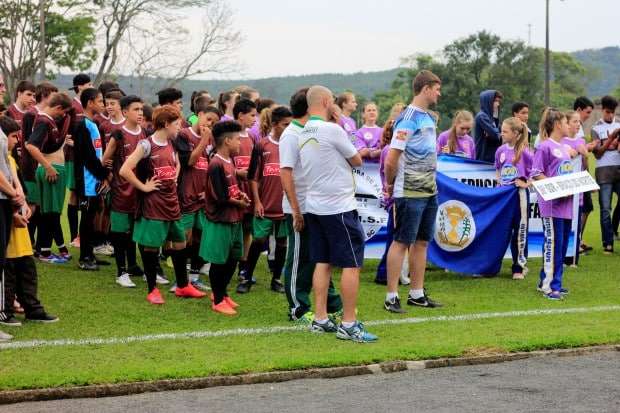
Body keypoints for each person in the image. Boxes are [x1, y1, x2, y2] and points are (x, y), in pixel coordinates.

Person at [299, 85, 377, 343]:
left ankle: (320, 318)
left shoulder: (302, 131)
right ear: (325, 101)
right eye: (332, 100)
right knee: (351, 264)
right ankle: (349, 323)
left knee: (322, 261)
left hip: (315, 205)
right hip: (339, 207)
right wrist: (338, 122)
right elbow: (357, 160)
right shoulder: (333, 129)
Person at [120, 105, 206, 304]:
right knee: (151, 248)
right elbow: (125, 170)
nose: (179, 127)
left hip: (172, 203)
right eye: (176, 124)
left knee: (180, 243)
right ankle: (152, 289)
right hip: (153, 206)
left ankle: (183, 286)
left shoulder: (172, 143)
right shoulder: (146, 145)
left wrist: (173, 178)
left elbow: (176, 164)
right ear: (166, 124)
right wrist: (144, 187)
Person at [280, 88, 343, 323]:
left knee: (320, 256)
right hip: (300, 207)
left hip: (317, 206)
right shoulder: (291, 134)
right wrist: (296, 210)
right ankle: (298, 307)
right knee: (299, 257)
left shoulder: (311, 130)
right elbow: (285, 173)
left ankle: (332, 302)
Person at [383, 70, 443, 314]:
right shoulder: (407, 118)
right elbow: (391, 159)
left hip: (429, 189)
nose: (439, 93)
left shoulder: (428, 118)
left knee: (422, 242)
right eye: (437, 88)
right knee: (401, 242)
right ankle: (391, 296)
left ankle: (417, 294)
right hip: (408, 191)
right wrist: (389, 185)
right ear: (426, 88)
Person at [0, 116, 58, 327]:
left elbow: (19, 189)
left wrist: (25, 207)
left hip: (20, 226)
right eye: (14, 137)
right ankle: (5, 310)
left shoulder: (11, 160)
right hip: (8, 222)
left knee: (27, 269)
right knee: (8, 271)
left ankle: (33, 309)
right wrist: (14, 212)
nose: (17, 142)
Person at [236, 106, 292, 294]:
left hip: (285, 205)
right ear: (275, 124)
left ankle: (276, 279)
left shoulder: (293, 145)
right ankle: (246, 276)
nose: (289, 127)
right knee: (259, 241)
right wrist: (257, 202)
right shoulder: (262, 145)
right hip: (265, 204)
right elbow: (253, 177)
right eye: (286, 124)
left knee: (282, 242)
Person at [200, 121, 251, 315]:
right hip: (220, 220)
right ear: (227, 141)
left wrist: (241, 195)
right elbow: (220, 197)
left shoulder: (230, 161)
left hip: (234, 218)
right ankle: (218, 299)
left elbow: (231, 189)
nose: (240, 142)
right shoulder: (215, 164)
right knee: (219, 261)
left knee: (233, 258)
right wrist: (239, 203)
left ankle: (223, 293)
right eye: (237, 139)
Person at [171, 98, 221, 292]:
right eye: (208, 119)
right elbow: (189, 162)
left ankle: (194, 277)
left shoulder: (212, 143)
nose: (210, 124)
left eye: (214, 123)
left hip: (202, 198)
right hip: (185, 196)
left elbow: (210, 169)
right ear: (199, 115)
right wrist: (203, 141)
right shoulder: (183, 135)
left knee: (201, 238)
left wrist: (207, 191)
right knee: (184, 238)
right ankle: (180, 280)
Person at [102, 95, 147, 287]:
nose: (140, 113)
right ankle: (121, 272)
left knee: (134, 232)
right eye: (136, 109)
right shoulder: (118, 134)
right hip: (121, 191)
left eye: (141, 110)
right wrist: (110, 175)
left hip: (139, 190)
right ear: (125, 111)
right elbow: (104, 160)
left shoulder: (144, 133)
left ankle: (134, 266)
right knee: (120, 233)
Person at [531, 108, 574, 300]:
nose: (569, 126)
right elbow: (536, 173)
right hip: (552, 206)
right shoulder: (544, 146)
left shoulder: (564, 147)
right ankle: (550, 287)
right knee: (553, 245)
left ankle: (549, 281)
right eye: (566, 122)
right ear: (558, 124)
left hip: (566, 205)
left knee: (562, 246)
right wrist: (555, 187)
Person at [25, 92, 73, 264]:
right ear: (58, 108)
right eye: (63, 112)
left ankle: (44, 250)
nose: (64, 115)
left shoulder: (47, 121)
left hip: (51, 170)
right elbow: (31, 146)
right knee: (50, 213)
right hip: (50, 172)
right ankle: (44, 252)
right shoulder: (44, 121)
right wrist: (49, 167)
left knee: (49, 212)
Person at [72, 88, 112, 271]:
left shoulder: (93, 124)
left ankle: (90, 253)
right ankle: (84, 257)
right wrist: (104, 174)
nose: (103, 105)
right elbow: (87, 158)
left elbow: (97, 154)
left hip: (95, 180)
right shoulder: (82, 125)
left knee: (94, 215)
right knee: (87, 218)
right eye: (100, 101)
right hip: (88, 180)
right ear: (89, 103)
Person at [20, 82, 59, 254]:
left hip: (38, 168)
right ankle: (27, 244)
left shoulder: (45, 116)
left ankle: (34, 245)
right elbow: (29, 143)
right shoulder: (31, 115)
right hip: (29, 168)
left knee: (38, 207)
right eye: (53, 95)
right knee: (32, 207)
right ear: (45, 95)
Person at [495, 117, 533, 279]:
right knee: (500, 230)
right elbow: (497, 169)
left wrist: (526, 183)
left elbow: (535, 173)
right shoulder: (500, 151)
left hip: (519, 197)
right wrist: (499, 183)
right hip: (503, 198)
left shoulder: (525, 152)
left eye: (505, 131)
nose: (501, 134)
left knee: (520, 231)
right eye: (501, 131)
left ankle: (518, 267)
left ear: (516, 133)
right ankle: (492, 265)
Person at [375, 119, 410, 286]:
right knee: (395, 238)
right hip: (395, 199)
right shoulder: (390, 150)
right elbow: (389, 172)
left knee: (396, 237)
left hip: (398, 197)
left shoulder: (393, 149)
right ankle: (384, 273)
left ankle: (389, 272)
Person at [231, 98, 258, 281]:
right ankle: (227, 263)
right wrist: (236, 172)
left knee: (247, 229)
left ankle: (244, 265)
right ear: (240, 115)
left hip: (249, 189)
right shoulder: (229, 136)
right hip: (234, 190)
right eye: (252, 115)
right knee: (234, 228)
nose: (255, 119)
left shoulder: (252, 137)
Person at [591, 96, 620, 254]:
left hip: (619, 168)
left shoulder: (619, 124)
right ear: (602, 110)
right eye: (607, 112)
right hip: (604, 171)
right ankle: (607, 243)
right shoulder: (596, 128)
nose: (610, 115)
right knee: (605, 209)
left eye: (612, 112)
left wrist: (610, 144)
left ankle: (614, 229)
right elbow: (598, 154)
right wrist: (611, 139)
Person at [67, 74, 93, 249]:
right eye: (89, 84)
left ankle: (81, 237)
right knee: (75, 194)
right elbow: (66, 131)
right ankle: (74, 236)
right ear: (80, 87)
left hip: (87, 158)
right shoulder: (72, 107)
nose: (92, 86)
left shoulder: (90, 110)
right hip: (73, 157)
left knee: (83, 194)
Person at [562, 110, 590, 266]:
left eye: (579, 122)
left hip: (577, 194)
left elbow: (585, 153)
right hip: (564, 193)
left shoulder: (580, 141)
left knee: (576, 226)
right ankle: (563, 257)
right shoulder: (561, 142)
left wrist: (583, 149)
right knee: (565, 227)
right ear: (567, 123)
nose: (578, 124)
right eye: (574, 121)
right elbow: (565, 154)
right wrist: (570, 152)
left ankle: (573, 258)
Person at [474, 90, 503, 163]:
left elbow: (499, 134)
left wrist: (494, 132)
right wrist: (495, 133)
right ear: (487, 101)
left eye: (498, 102)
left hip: (492, 157)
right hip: (483, 157)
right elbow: (495, 135)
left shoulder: (493, 118)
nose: (497, 104)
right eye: (495, 101)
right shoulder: (481, 116)